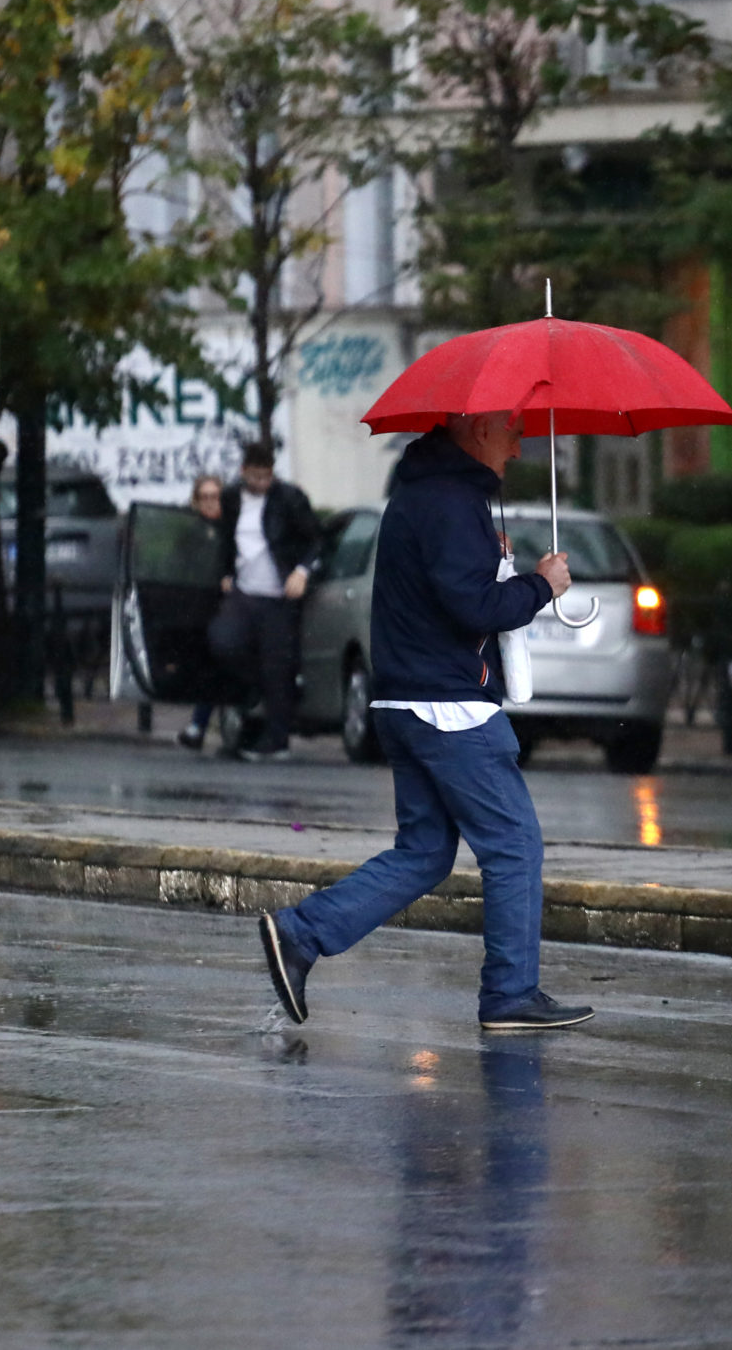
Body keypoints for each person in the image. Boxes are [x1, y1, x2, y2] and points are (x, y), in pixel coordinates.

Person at [256, 413, 594, 1032]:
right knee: (514, 845)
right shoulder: (452, 501)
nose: (522, 447)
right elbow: (474, 607)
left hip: (404, 700)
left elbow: (451, 593)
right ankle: (510, 994)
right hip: (450, 707)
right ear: (479, 428)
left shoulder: (423, 494)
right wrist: (540, 586)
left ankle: (301, 935)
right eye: (514, 431)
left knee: (426, 852)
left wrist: (504, 571)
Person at [207, 442, 320, 761]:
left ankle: (276, 738)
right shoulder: (231, 498)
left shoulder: (289, 498)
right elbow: (226, 539)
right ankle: (251, 700)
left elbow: (314, 539)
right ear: (244, 473)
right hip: (244, 592)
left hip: (277, 596)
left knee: (277, 667)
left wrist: (301, 571)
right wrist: (225, 572)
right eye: (256, 477)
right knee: (223, 641)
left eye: (267, 477)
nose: (262, 484)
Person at [177, 473, 226, 751]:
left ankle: (201, 723)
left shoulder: (231, 529)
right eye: (204, 497)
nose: (210, 503)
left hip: (229, 607)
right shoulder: (191, 533)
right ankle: (199, 723)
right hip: (200, 609)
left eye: (214, 497)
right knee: (208, 667)